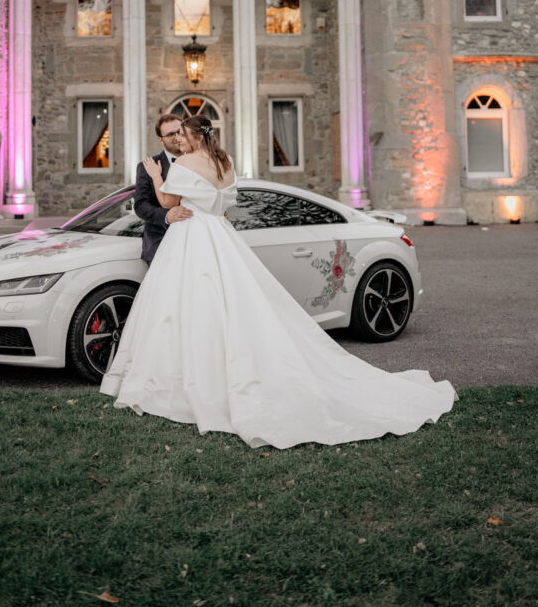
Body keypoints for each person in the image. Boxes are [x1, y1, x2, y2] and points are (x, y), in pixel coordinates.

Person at [101, 115, 456, 449]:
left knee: (188, 308)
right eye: (172, 135)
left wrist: (156, 175)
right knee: (228, 305)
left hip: (193, 237)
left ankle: (187, 381)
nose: (179, 139)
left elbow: (166, 201)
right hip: (220, 236)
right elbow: (223, 202)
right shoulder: (225, 163)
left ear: (193, 137)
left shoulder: (183, 164)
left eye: (184, 134)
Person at [133, 113, 192, 265]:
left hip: (195, 241)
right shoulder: (147, 166)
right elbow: (140, 206)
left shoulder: (198, 161)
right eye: (171, 134)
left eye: (179, 131)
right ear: (160, 139)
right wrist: (167, 216)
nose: (177, 137)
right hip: (160, 243)